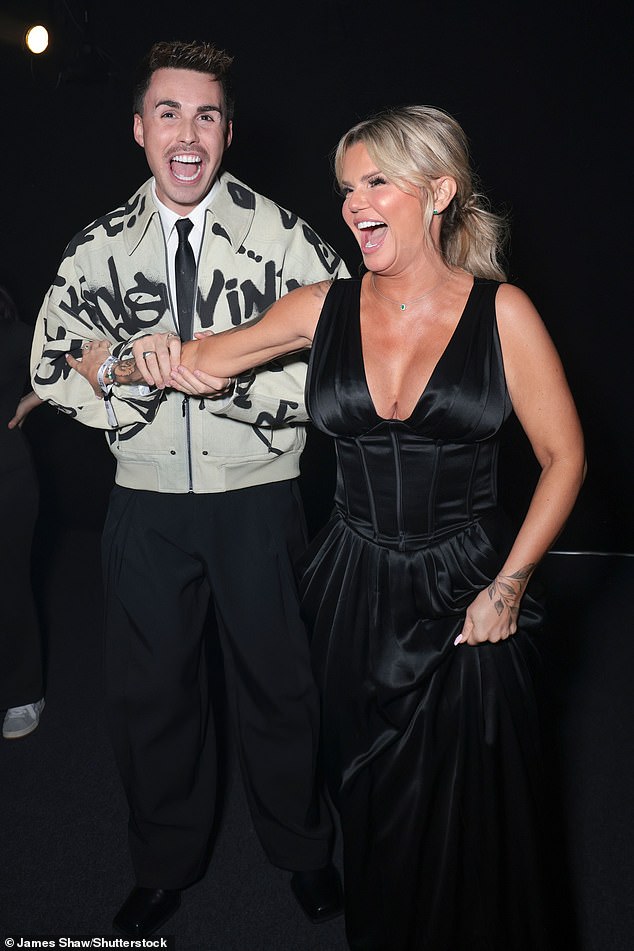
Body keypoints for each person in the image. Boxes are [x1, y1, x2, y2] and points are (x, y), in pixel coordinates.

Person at [94, 104, 587, 951]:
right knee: (372, 804)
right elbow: (205, 358)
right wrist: (117, 359)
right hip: (351, 591)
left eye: (376, 182)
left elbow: (564, 456)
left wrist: (509, 585)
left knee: (471, 814)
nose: (355, 203)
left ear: (439, 192)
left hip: (469, 593)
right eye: (347, 187)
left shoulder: (503, 314)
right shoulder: (322, 305)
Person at [30, 40, 348, 939]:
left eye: (206, 115)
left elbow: (345, 359)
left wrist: (227, 376)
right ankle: (164, 865)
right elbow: (51, 361)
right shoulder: (99, 247)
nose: (187, 133)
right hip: (147, 503)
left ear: (228, 132)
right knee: (152, 696)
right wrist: (129, 371)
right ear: (138, 128)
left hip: (259, 497)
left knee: (281, 685)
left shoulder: (282, 237)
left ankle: (303, 848)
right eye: (167, 112)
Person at [0, 286, 45, 740]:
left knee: (8, 588)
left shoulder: (14, 335)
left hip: (7, 480)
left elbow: (70, 359)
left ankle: (23, 692)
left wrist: (36, 396)